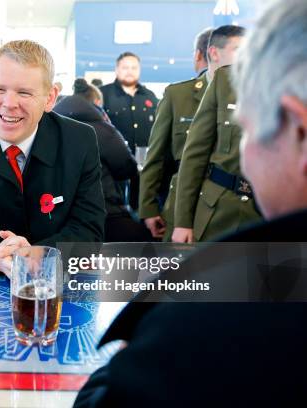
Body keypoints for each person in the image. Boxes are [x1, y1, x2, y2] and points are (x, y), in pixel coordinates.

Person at [75, 1, 307, 405]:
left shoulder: (205, 319)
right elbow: (180, 157)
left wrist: (130, 357)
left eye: (250, 130)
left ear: (298, 132)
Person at [0, 40, 106, 275]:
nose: (9, 104)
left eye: (24, 92)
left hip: (57, 275)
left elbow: (88, 227)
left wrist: (38, 255)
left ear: (50, 97)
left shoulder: (80, 140)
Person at [172, 25, 260, 243]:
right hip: (220, 207)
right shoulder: (225, 80)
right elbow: (195, 154)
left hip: (272, 212)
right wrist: (182, 221)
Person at [138, 28, 213, 240]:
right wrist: (148, 207)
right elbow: (157, 155)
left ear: (197, 55)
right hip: (181, 201)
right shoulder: (178, 95)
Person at [54, 79, 149, 242]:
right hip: (106, 213)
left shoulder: (50, 127)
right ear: (97, 102)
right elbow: (127, 167)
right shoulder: (103, 129)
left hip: (56, 215)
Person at [100, 52, 158, 210]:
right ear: (117, 69)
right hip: (111, 169)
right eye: (125, 67)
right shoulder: (103, 94)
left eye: (134, 67)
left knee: (141, 211)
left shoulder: (150, 96)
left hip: (144, 168)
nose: (129, 71)